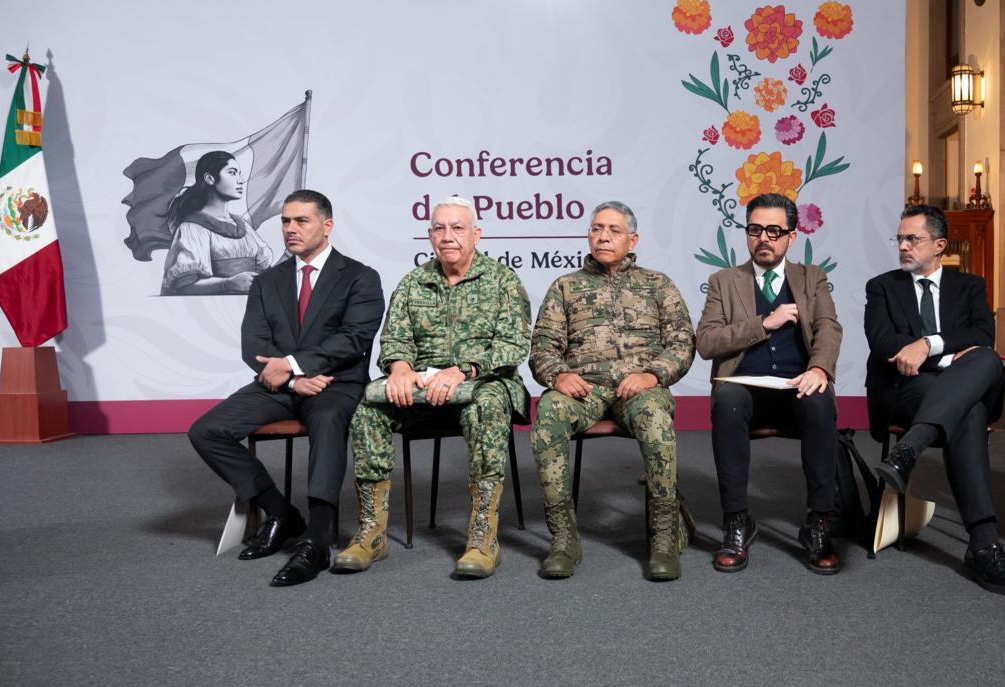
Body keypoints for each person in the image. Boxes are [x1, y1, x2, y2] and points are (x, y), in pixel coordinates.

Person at [187, 189, 384, 587]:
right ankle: (280, 513)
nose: (290, 229)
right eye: (285, 221)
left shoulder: (360, 276)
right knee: (206, 430)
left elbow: (354, 339)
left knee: (327, 420)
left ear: (327, 226)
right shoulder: (267, 281)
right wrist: (293, 379)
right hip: (279, 386)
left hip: (335, 385)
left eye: (301, 221)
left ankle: (316, 540)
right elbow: (254, 344)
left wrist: (295, 364)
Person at [332, 196, 531, 579]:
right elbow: (394, 339)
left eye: (457, 228)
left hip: (484, 382)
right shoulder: (413, 283)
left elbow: (513, 345)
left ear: (476, 234)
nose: (447, 236)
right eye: (439, 228)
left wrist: (464, 370)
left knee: (486, 405)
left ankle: (482, 538)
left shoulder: (503, 281)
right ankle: (372, 532)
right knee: (368, 410)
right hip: (422, 388)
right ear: (429, 235)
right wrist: (400, 369)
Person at [865, 204, 1005, 596]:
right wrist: (950, 355)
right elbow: (884, 343)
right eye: (900, 239)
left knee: (986, 358)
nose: (903, 246)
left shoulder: (969, 286)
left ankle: (910, 449)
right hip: (909, 389)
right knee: (969, 411)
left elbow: (982, 335)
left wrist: (927, 345)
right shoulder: (883, 286)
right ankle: (984, 546)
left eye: (913, 239)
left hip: (952, 383)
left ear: (939, 245)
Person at [528, 201, 696, 581]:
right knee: (548, 414)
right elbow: (542, 348)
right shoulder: (565, 287)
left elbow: (682, 342)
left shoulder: (657, 285)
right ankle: (564, 539)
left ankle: (664, 539)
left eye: (614, 230)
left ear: (632, 240)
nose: (603, 236)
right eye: (596, 228)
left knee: (655, 420)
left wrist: (653, 375)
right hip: (582, 389)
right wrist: (558, 376)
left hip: (639, 389)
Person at [696, 193, 843, 575]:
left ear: (791, 236)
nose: (763, 238)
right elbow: (707, 342)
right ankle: (736, 521)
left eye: (774, 231)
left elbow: (828, 328)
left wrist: (819, 369)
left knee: (819, 401)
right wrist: (764, 323)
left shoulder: (812, 278)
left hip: (797, 383)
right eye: (755, 229)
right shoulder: (724, 281)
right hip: (743, 386)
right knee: (728, 400)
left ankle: (819, 522)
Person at [161, 151, 273, 295]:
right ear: (210, 178)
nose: (240, 180)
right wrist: (228, 284)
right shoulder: (193, 228)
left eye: (239, 174)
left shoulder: (243, 226)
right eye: (232, 173)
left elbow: (265, 271)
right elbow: (184, 286)